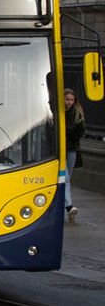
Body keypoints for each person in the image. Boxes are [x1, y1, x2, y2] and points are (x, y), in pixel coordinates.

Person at [65, 87, 86, 222]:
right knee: (65, 178)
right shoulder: (58, 112)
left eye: (72, 100)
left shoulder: (77, 113)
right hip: (59, 151)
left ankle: (63, 203)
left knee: (67, 178)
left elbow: (80, 132)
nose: (69, 102)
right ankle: (69, 207)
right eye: (67, 99)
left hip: (72, 150)